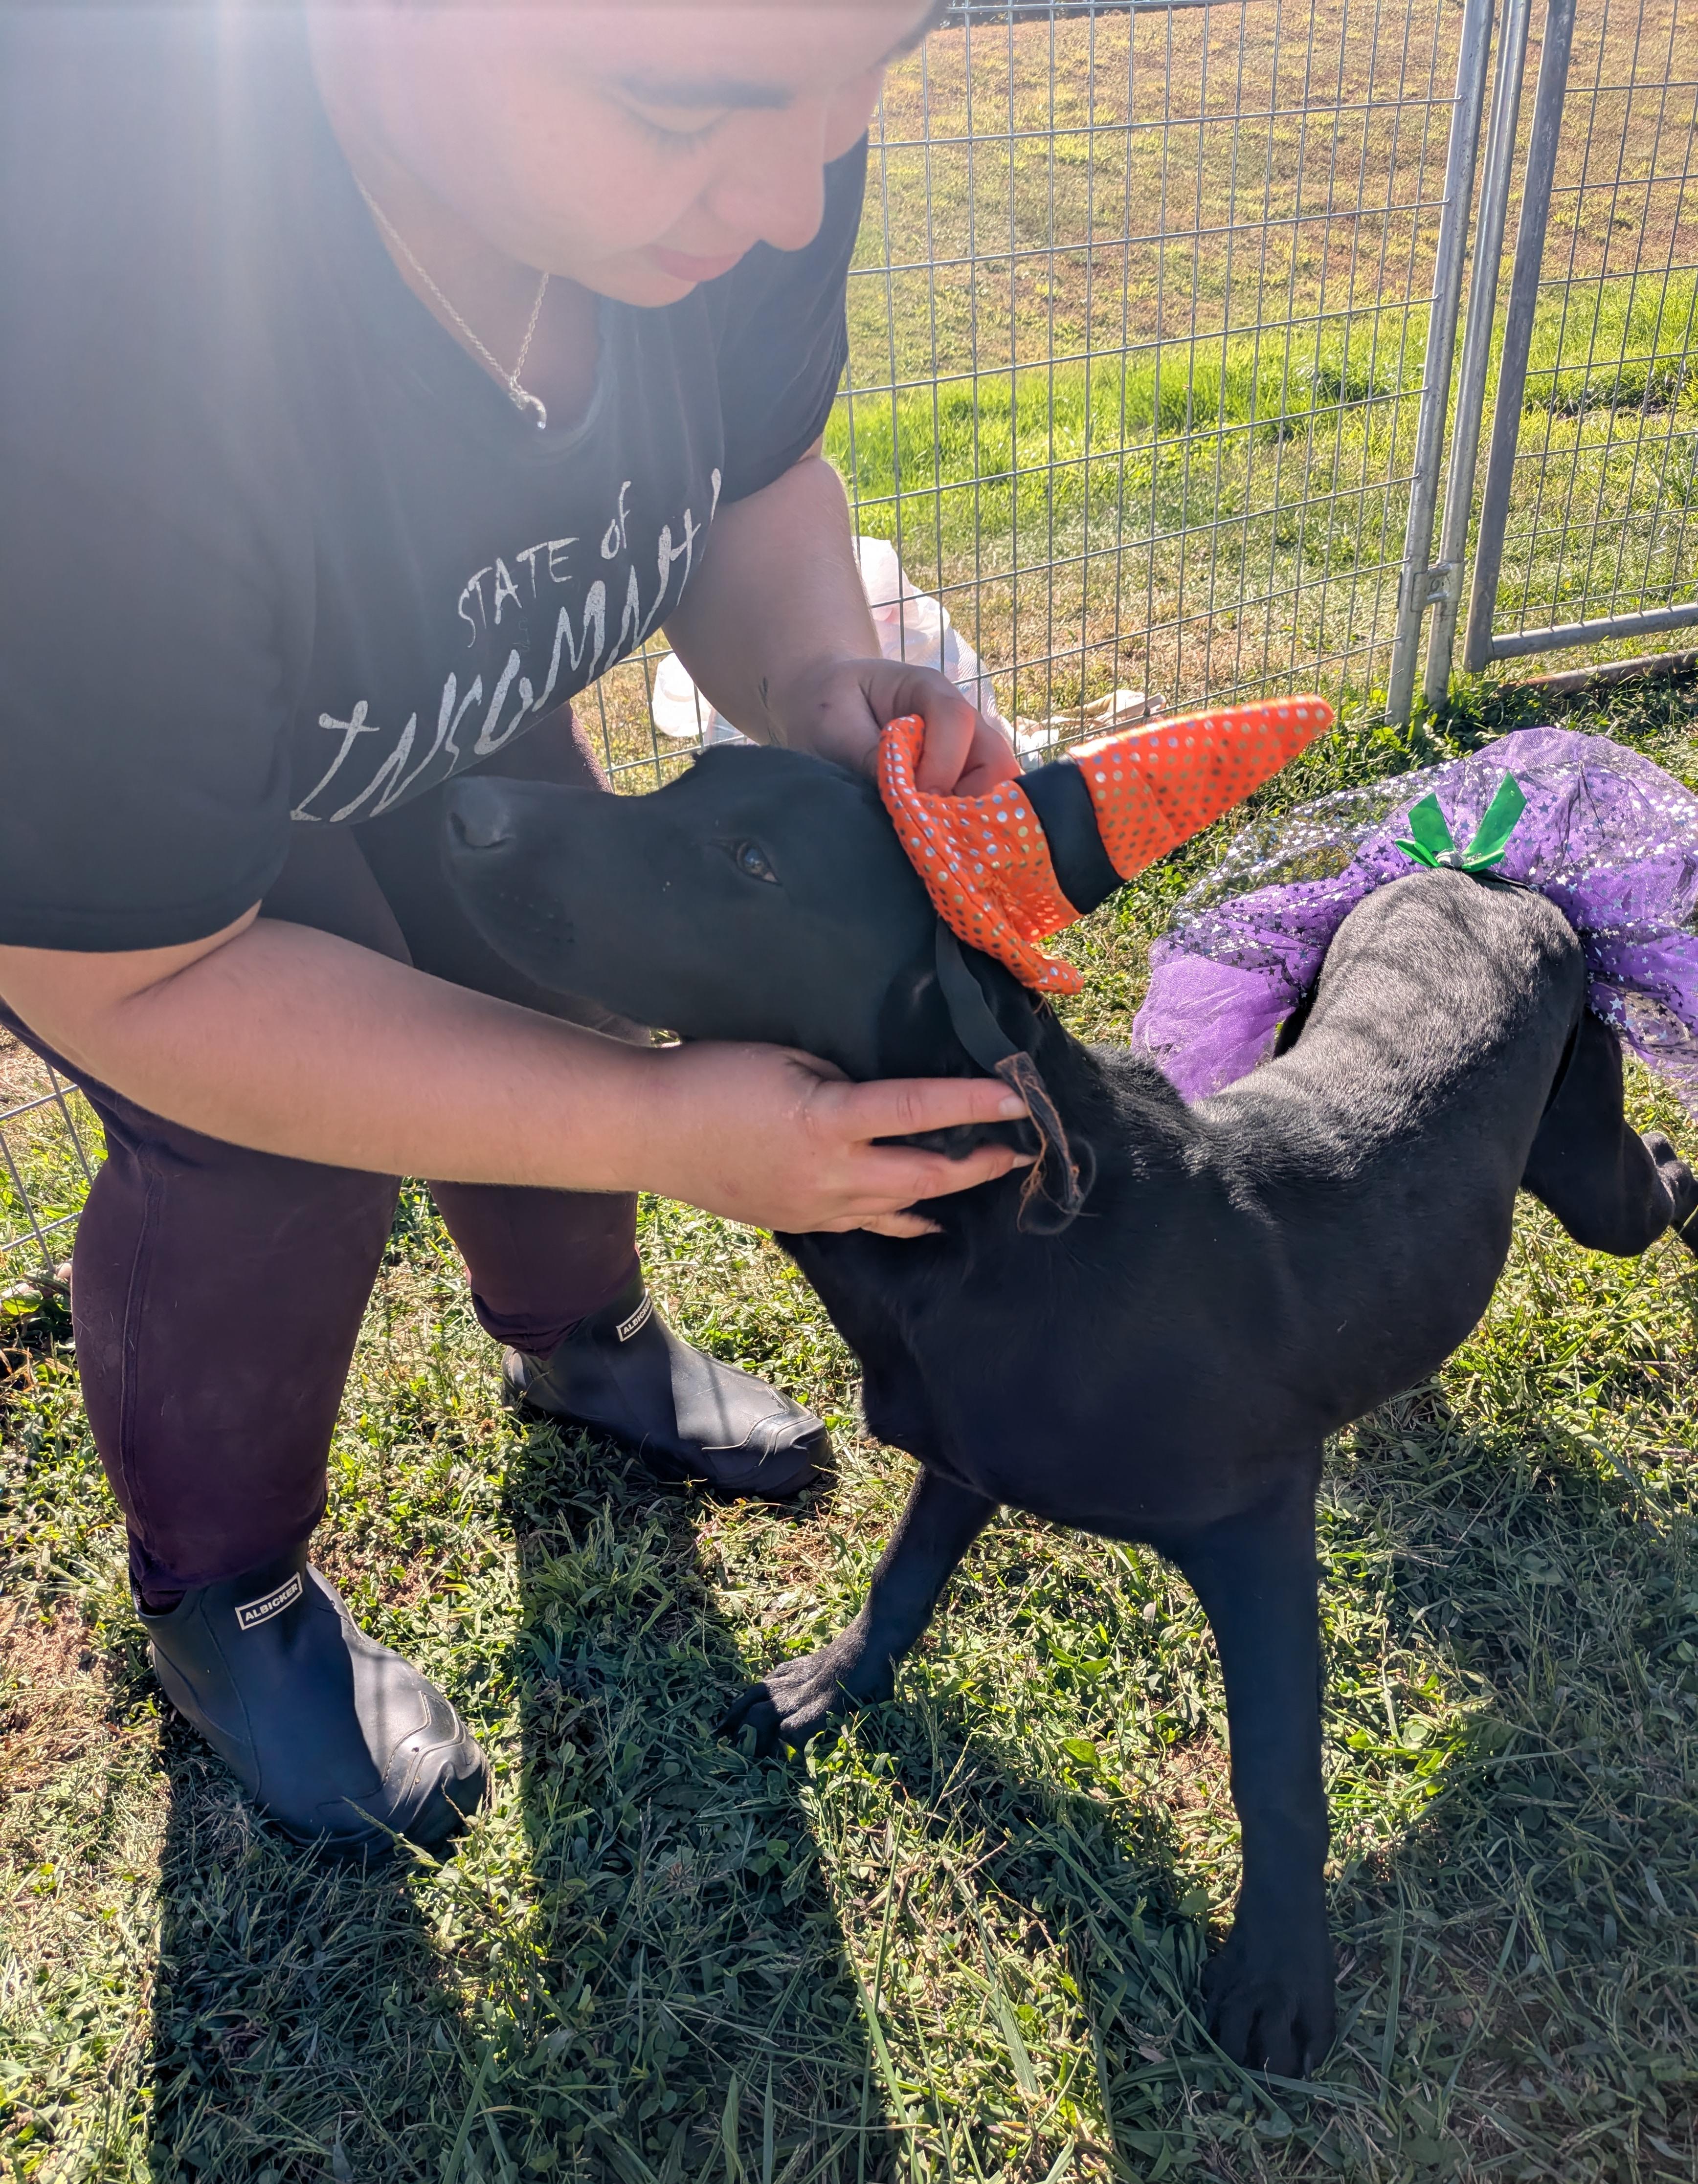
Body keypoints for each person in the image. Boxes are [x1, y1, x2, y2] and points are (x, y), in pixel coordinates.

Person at [0, 0, 1030, 1862]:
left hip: (420, 662)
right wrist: (665, 1128)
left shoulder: (764, 106)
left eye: (867, 86)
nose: (797, 198)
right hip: (146, 806)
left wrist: (812, 667)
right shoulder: (87, 291)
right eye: (678, 110)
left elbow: (753, 469)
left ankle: (581, 1339)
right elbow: (131, 973)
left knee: (535, 959)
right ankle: (223, 1603)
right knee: (264, 1166)